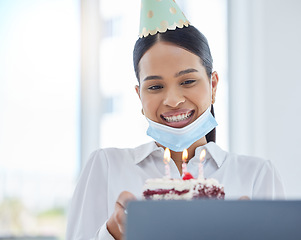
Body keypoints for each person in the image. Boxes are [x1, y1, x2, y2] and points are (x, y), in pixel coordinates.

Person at [66, 0, 285, 239]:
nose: (172, 100)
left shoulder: (257, 175)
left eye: (188, 81)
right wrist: (111, 234)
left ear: (213, 85)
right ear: (139, 96)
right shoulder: (106, 166)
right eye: (156, 86)